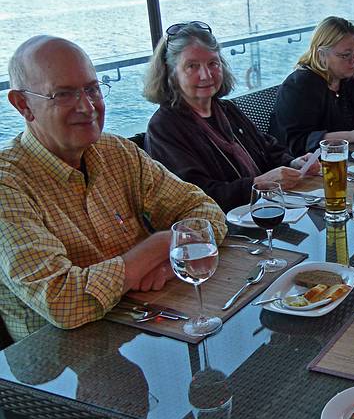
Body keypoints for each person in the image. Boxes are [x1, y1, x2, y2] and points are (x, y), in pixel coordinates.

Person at [0, 36, 226, 342]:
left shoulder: (116, 152)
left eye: (92, 89)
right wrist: (162, 244)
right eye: (64, 94)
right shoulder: (8, 184)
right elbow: (62, 301)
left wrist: (172, 266)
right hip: (63, 363)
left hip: (149, 325)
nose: (87, 106)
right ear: (23, 104)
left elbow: (205, 211)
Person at [142, 21, 319, 213]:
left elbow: (267, 149)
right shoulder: (164, 127)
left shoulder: (226, 109)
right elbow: (194, 197)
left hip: (266, 210)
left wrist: (294, 163)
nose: (206, 74)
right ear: (171, 73)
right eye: (192, 66)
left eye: (213, 63)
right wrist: (258, 184)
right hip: (221, 227)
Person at [272, 16, 354, 155]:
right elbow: (297, 142)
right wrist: (350, 136)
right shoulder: (299, 86)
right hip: (314, 166)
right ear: (321, 54)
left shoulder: (351, 77)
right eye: (345, 55)